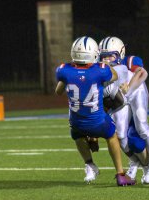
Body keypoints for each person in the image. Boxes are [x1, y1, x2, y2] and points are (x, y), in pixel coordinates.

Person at [55, 36, 134, 186]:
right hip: (98, 122)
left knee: (77, 134)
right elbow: (114, 76)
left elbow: (58, 91)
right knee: (112, 136)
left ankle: (90, 164)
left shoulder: (64, 70)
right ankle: (120, 174)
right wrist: (105, 65)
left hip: (77, 122)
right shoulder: (100, 70)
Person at [98, 36, 149, 184]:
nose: (106, 60)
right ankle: (134, 161)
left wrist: (129, 87)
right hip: (122, 99)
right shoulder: (101, 69)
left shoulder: (129, 60)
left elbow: (142, 73)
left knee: (142, 127)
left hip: (136, 92)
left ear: (121, 53)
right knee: (120, 135)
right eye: (103, 57)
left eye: (110, 56)